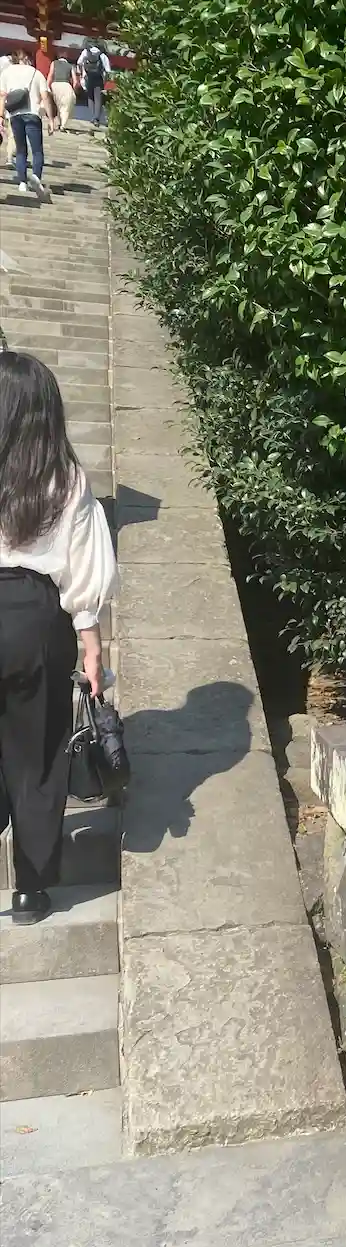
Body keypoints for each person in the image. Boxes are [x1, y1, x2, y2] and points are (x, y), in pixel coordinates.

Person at [0, 351, 118, 925]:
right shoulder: (65, 476)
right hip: (36, 615)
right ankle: (30, 890)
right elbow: (83, 570)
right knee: (40, 754)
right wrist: (91, 646)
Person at [0, 48, 53, 199]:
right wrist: (50, 118)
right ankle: (36, 177)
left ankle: (22, 182)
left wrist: (1, 116)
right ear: (27, 59)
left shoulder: (6, 73)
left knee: (21, 150)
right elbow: (45, 96)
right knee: (37, 150)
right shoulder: (36, 73)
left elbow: (2, 96)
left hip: (15, 115)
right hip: (32, 114)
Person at [76, 40, 111, 128]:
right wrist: (105, 80)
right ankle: (96, 118)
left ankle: (92, 117)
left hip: (88, 77)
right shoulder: (102, 55)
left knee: (90, 97)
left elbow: (79, 62)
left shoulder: (86, 51)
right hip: (98, 79)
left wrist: (81, 73)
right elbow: (108, 70)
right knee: (98, 98)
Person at [50, 52, 75, 130]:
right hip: (66, 85)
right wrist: (73, 89)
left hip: (55, 85)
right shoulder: (70, 66)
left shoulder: (54, 63)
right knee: (65, 107)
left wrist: (47, 86)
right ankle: (63, 125)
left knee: (58, 105)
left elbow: (50, 75)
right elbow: (75, 81)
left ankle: (59, 122)